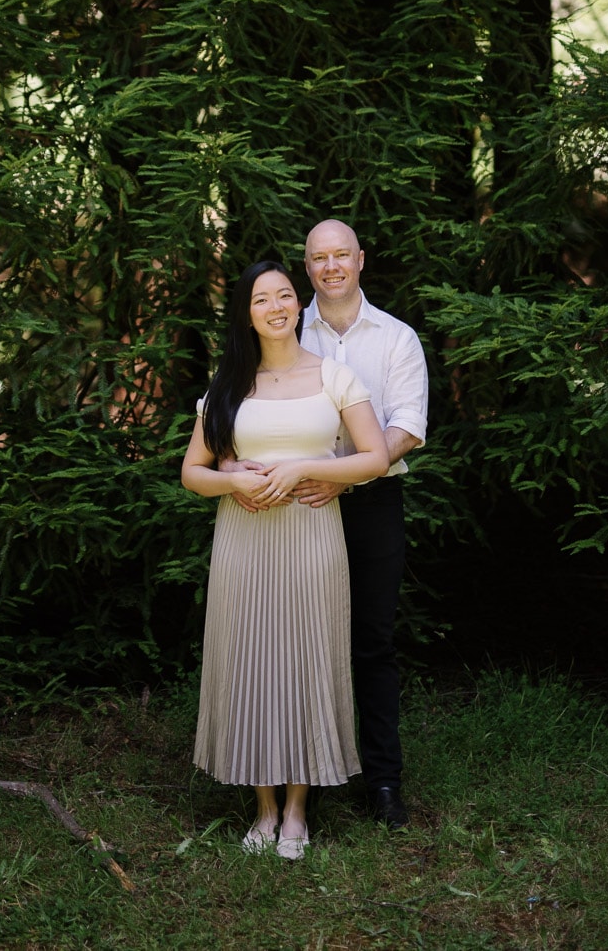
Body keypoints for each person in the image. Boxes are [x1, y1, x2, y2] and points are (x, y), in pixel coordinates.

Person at [181, 259, 389, 861]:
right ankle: (263, 808)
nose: (275, 306)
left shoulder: (335, 377)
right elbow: (193, 473)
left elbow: (373, 458)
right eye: (260, 299)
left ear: (298, 305)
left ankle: (298, 809)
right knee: (250, 661)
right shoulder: (226, 388)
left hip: (312, 537)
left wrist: (304, 468)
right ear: (246, 314)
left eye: (284, 296)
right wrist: (233, 480)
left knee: (305, 659)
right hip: (243, 544)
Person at [298, 219, 427, 830]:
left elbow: (407, 427)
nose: (331, 267)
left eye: (340, 255)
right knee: (301, 641)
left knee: (371, 644)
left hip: (374, 504)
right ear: (307, 268)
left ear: (361, 260)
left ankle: (382, 783)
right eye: (319, 258)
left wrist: (347, 474)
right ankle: (307, 779)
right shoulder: (285, 329)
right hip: (298, 505)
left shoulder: (397, 338)